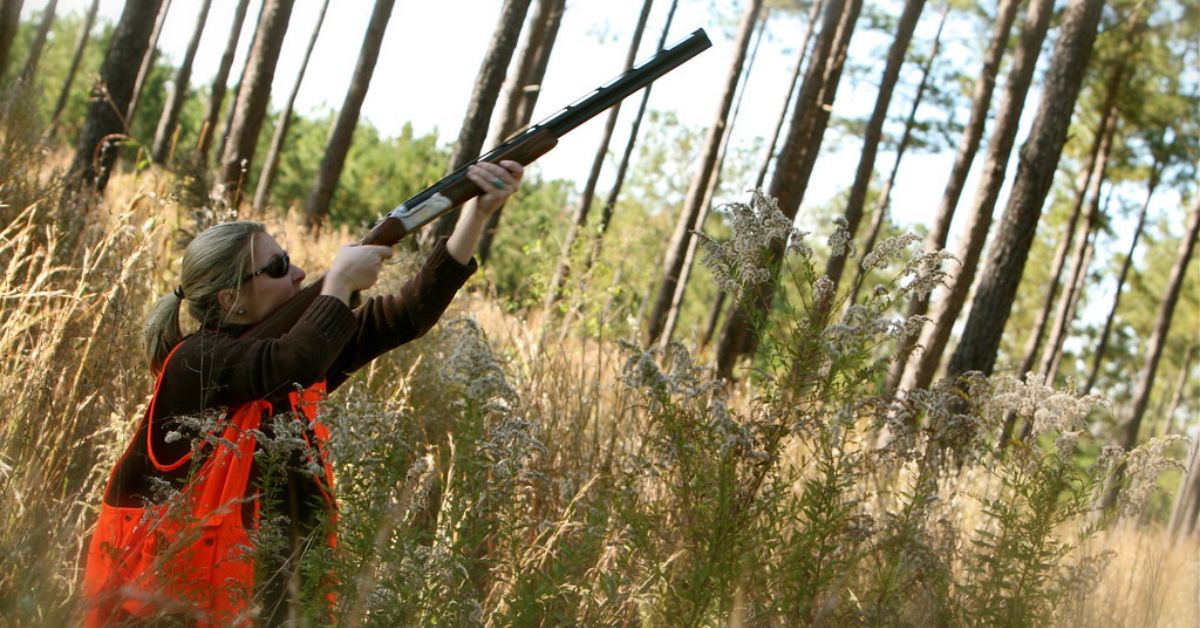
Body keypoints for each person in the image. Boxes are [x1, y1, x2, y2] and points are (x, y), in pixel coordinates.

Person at [83, 161, 525, 626]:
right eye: (276, 267)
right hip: (170, 604)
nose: (296, 273)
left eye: (287, 258)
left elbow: (405, 316)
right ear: (230, 300)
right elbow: (291, 362)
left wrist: (476, 215)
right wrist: (338, 285)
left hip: (266, 594)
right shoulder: (196, 361)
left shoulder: (277, 350)